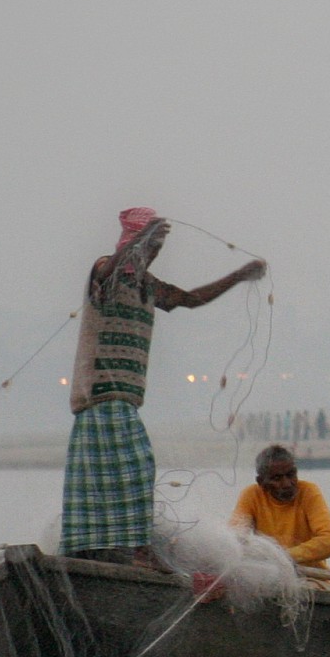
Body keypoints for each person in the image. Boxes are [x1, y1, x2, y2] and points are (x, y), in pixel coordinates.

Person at [63, 207, 265, 566]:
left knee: (116, 476)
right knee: (137, 465)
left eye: (159, 245)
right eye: (151, 244)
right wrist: (142, 238)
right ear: (132, 241)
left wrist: (239, 276)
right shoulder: (105, 272)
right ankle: (130, 548)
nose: (155, 251)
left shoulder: (147, 285)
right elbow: (113, 266)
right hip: (100, 397)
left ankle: (114, 548)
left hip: (125, 398)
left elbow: (188, 299)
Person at [231, 444, 330, 568]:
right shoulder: (251, 495)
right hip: (267, 574)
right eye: (277, 478)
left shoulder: (308, 492)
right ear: (261, 482)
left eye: (290, 475)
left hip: (310, 577)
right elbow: (236, 537)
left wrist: (285, 557)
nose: (287, 484)